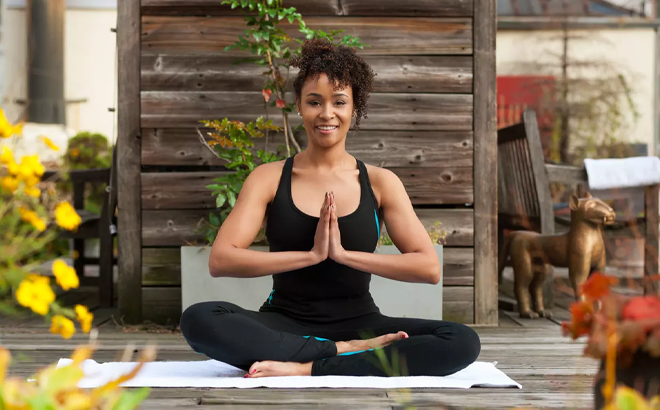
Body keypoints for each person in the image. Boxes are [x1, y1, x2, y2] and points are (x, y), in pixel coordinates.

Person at [180, 38, 481, 378]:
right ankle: (338, 354)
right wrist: (310, 256)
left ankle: (307, 367)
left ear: (354, 108)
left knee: (461, 340)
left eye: (339, 102)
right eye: (314, 102)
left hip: (361, 323)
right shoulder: (269, 178)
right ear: (299, 106)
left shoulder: (381, 182)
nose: (326, 113)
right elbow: (222, 260)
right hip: (285, 322)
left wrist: (344, 255)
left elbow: (428, 268)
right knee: (199, 318)